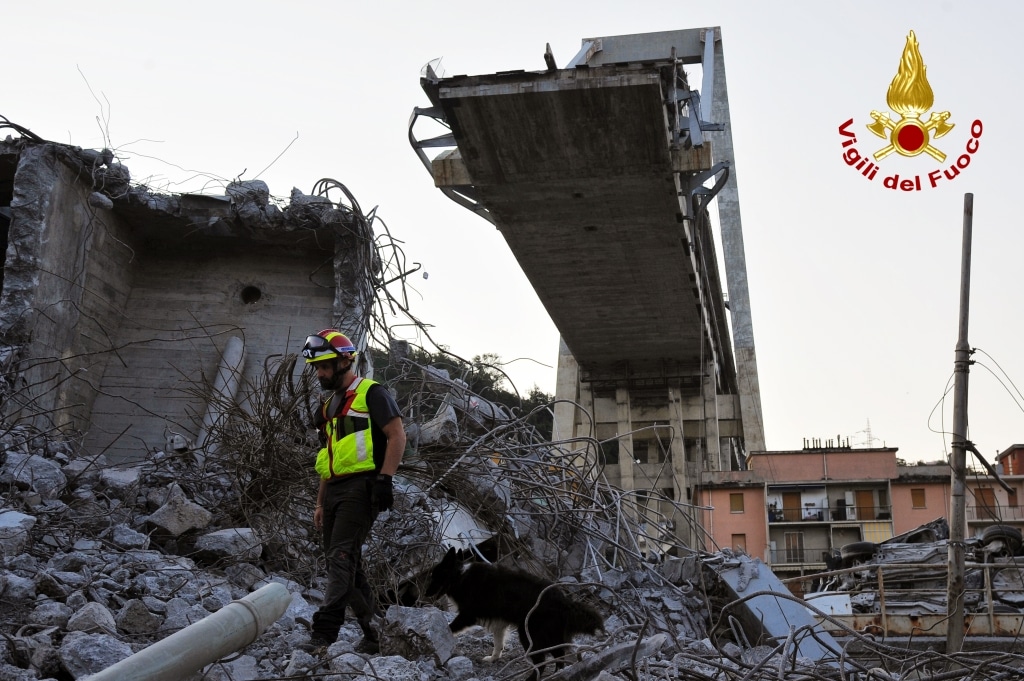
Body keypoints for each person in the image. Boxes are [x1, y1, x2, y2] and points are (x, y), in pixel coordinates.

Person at [301, 329, 406, 653]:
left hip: (362, 489)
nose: (320, 373)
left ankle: (323, 634)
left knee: (340, 557)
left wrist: (385, 479)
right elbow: (328, 456)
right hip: (334, 490)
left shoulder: (372, 393)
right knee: (348, 563)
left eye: (325, 366)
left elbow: (397, 436)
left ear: (346, 361)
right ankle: (375, 634)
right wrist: (320, 501)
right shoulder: (329, 406)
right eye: (317, 367)